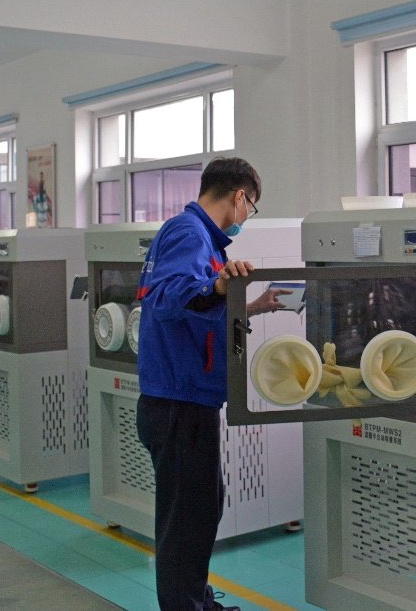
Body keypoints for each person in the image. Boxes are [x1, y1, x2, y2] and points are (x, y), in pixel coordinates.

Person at [135, 157, 286, 611]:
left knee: (200, 509)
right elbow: (167, 299)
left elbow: (196, 308)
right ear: (239, 197)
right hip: (178, 402)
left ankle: (196, 601)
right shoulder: (190, 234)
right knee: (187, 518)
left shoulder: (197, 237)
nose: (245, 218)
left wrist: (248, 305)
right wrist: (218, 288)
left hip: (185, 400)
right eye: (250, 208)